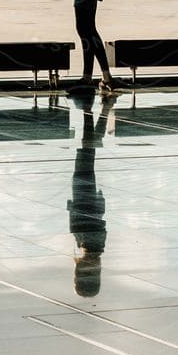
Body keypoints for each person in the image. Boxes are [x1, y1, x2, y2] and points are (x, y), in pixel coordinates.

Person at [68, 98, 110, 297]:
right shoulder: (88, 244)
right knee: (87, 150)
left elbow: (100, 223)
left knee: (89, 149)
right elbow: (89, 222)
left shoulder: (93, 246)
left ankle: (99, 111)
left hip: (85, 197)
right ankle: (90, 110)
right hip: (83, 194)